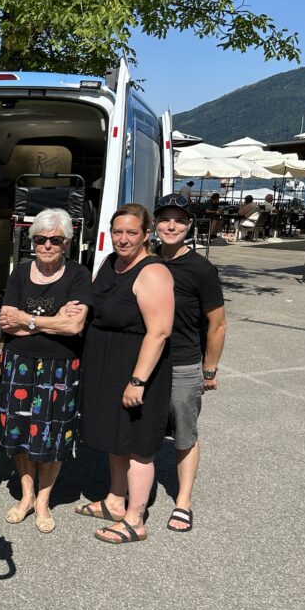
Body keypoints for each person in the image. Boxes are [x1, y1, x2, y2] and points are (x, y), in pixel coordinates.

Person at [75, 204, 174, 544]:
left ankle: (135, 519)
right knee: (115, 438)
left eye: (132, 232)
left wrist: (137, 381)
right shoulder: (109, 262)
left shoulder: (153, 272)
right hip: (106, 363)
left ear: (147, 234)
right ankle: (116, 501)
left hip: (137, 367)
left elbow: (159, 332)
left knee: (138, 444)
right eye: (118, 231)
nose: (123, 238)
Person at [0, 208, 91, 535]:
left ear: (66, 243)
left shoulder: (78, 274)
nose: (47, 245)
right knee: (20, 431)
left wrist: (29, 321)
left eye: (55, 240)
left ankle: (43, 501)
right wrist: (52, 322)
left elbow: (75, 325)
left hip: (60, 366)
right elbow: (5, 321)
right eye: (40, 239)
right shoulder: (20, 273)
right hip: (19, 363)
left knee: (52, 434)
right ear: (32, 240)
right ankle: (26, 496)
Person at [153, 194, 226, 532]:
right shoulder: (146, 260)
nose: (171, 226)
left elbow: (217, 323)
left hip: (183, 363)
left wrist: (209, 369)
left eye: (179, 220)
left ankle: (183, 500)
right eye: (165, 219)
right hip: (146, 364)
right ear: (154, 224)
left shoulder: (200, 268)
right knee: (144, 428)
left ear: (189, 226)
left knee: (184, 432)